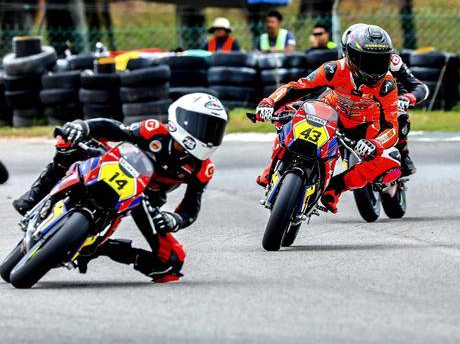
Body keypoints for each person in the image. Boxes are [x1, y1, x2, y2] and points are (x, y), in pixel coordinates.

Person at [12, 93, 228, 283]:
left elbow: (191, 206)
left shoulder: (203, 168)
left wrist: (175, 220)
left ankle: (104, 247)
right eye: (204, 126)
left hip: (145, 200)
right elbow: (116, 129)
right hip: (116, 166)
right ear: (183, 120)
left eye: (215, 129)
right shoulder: (153, 130)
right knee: (67, 140)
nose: (209, 135)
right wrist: (84, 127)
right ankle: (35, 195)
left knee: (172, 261)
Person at [254, 24, 401, 213]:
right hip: (331, 112)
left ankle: (335, 188)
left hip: (365, 126)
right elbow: (298, 87)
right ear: (351, 56)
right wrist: (269, 102)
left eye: (380, 61)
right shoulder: (334, 69)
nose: (374, 68)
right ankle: (271, 168)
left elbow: (391, 127)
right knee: (290, 114)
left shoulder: (387, 85)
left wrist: (376, 143)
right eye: (368, 60)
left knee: (391, 160)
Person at [339, 24, 428, 175]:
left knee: (399, 115)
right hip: (357, 103)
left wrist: (406, 98)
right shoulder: (339, 65)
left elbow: (420, 87)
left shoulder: (392, 61)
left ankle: (403, 154)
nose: (372, 62)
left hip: (388, 100)